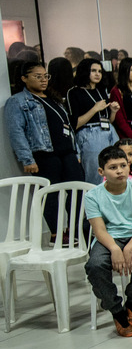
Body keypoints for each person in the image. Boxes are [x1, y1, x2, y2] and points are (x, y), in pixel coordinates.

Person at [83, 145, 132, 337]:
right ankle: (117, 310)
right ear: (101, 171)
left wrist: (130, 247)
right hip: (109, 239)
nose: (119, 171)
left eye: (123, 165)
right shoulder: (93, 196)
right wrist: (115, 248)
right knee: (95, 265)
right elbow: (99, 230)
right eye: (113, 167)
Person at [6, 61, 86, 229]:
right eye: (37, 76)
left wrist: (76, 153)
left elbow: (68, 127)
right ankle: (56, 233)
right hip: (45, 155)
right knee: (50, 196)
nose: (43, 80)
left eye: (45, 76)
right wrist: (27, 159)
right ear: (24, 79)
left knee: (77, 190)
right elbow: (16, 132)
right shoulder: (18, 101)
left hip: (68, 153)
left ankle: (74, 230)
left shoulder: (53, 98)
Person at [67, 58, 121, 185]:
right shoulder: (74, 92)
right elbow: (74, 124)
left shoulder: (101, 90)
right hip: (89, 133)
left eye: (100, 71)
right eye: (93, 71)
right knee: (95, 174)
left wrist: (113, 111)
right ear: (85, 72)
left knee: (116, 168)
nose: (98, 74)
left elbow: (108, 120)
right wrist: (95, 109)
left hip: (109, 131)